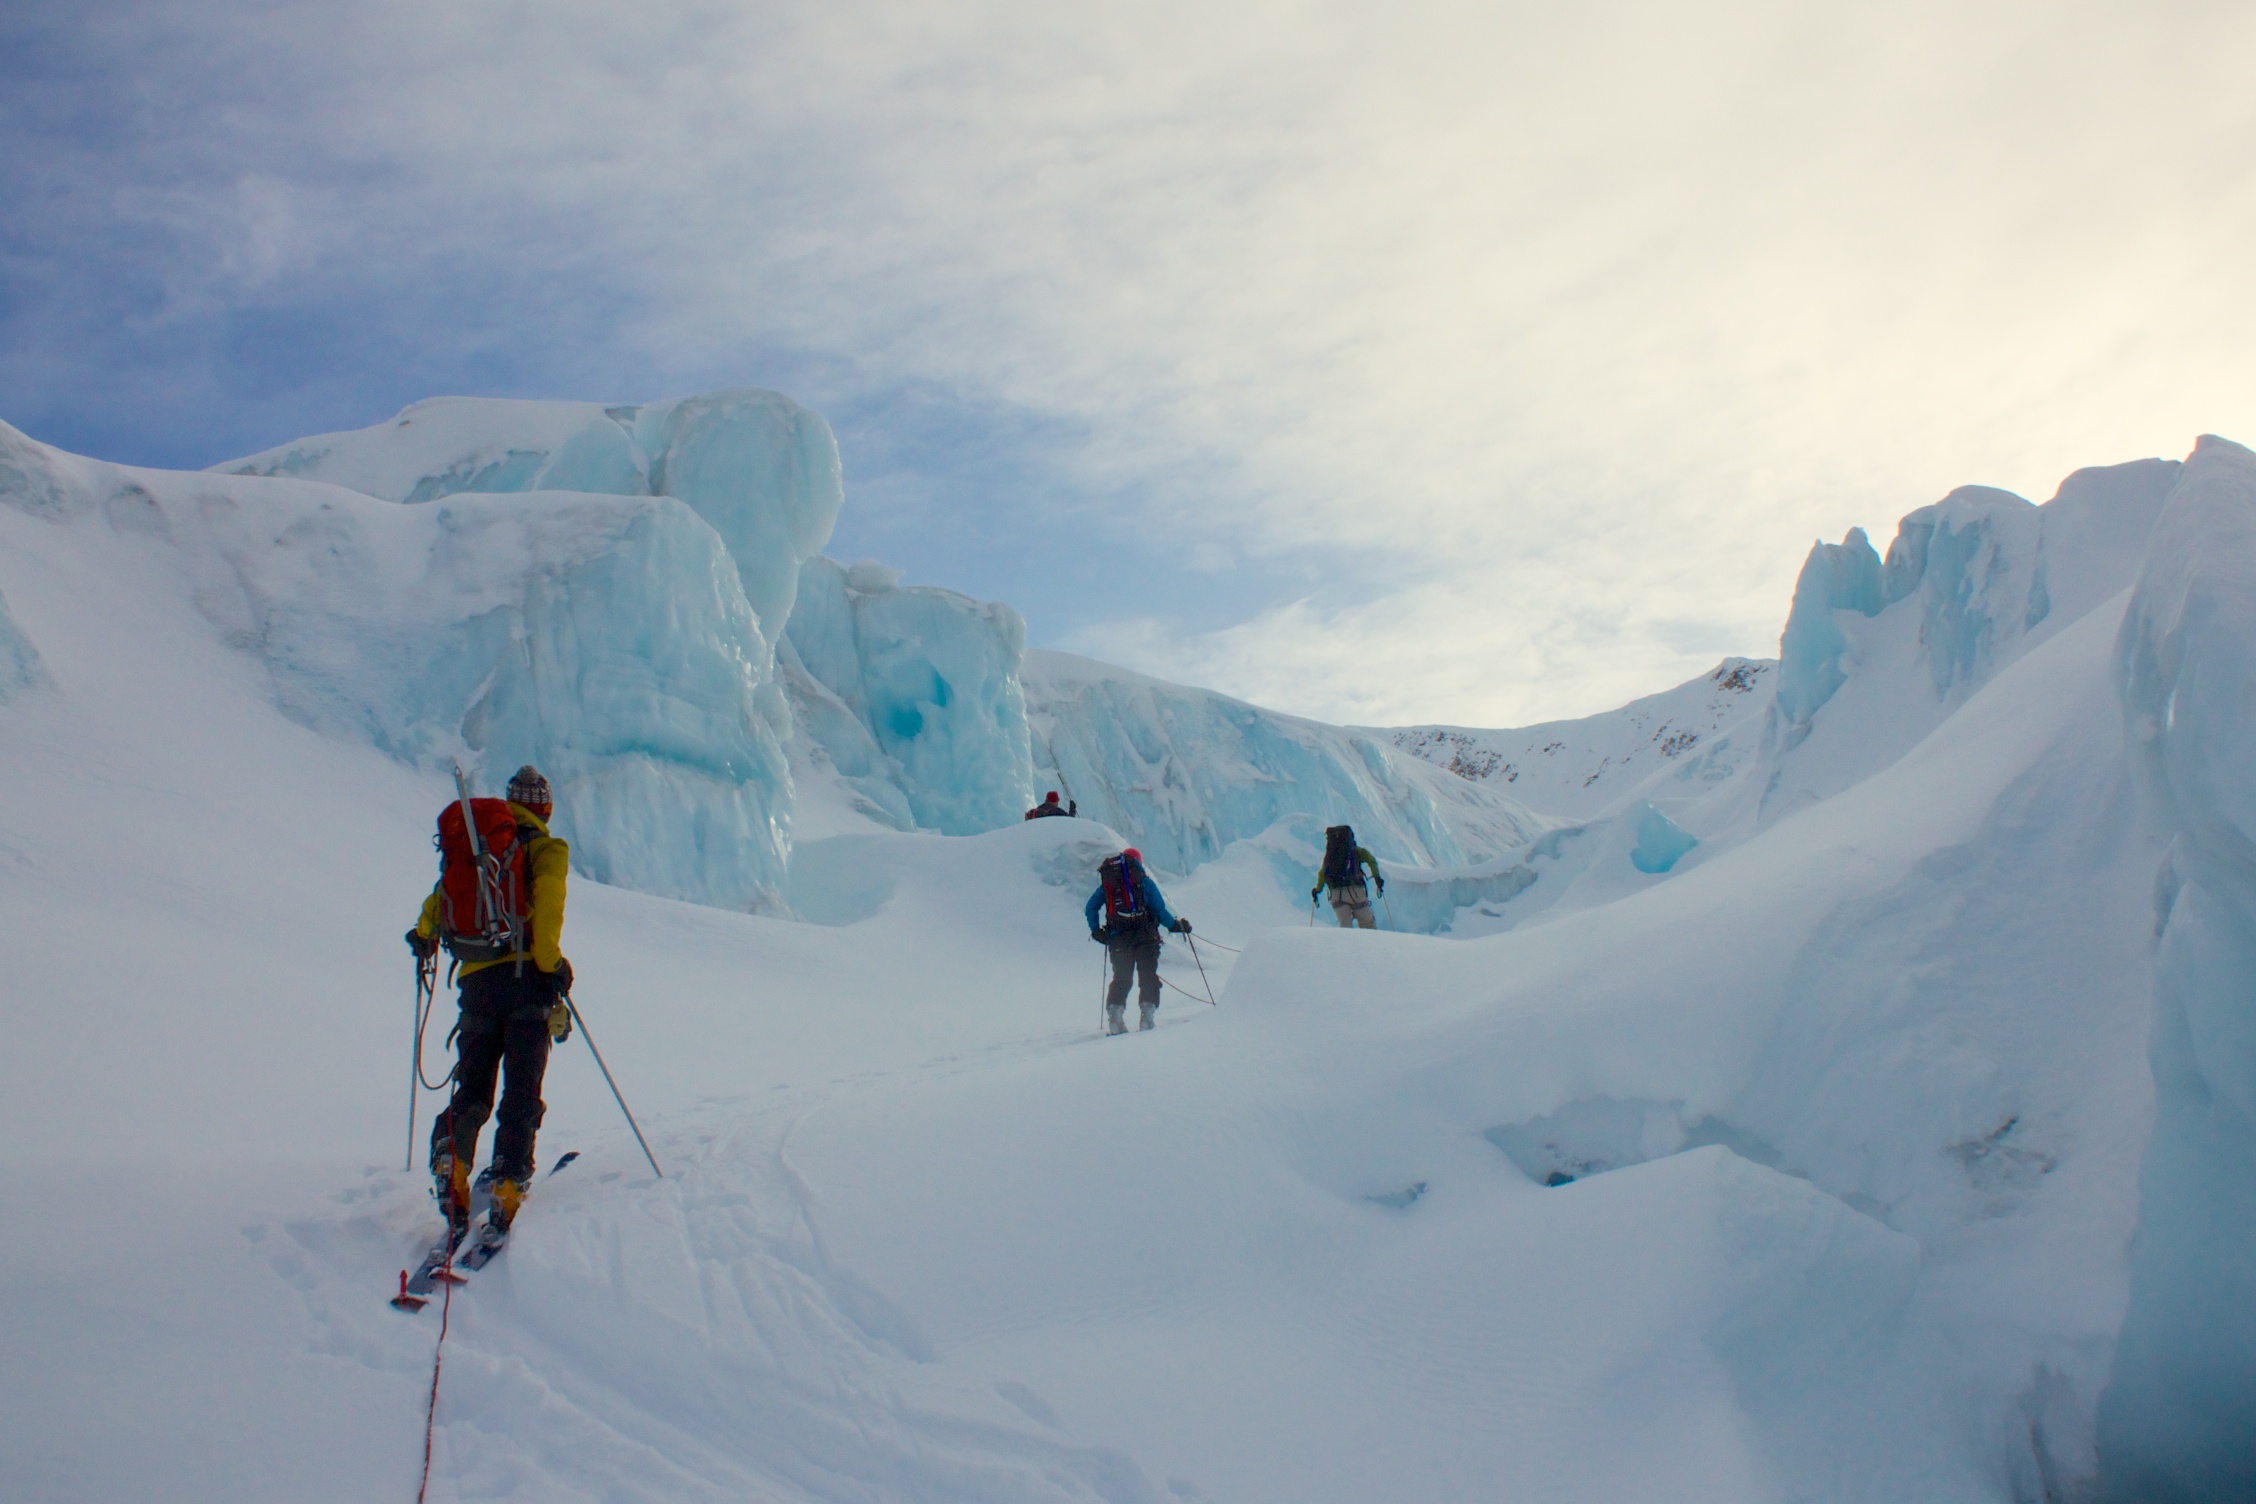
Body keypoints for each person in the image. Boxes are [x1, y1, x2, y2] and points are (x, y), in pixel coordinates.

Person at [405, 764, 573, 1246]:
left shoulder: (477, 850)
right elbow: (549, 905)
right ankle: (508, 1180)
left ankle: (452, 1155)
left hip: (476, 983)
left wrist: (423, 936)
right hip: (526, 983)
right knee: (521, 1090)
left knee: (474, 1088)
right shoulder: (545, 849)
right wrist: (553, 964)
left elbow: (439, 901)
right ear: (545, 809)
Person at [1085, 847, 1191, 1034]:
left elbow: (1090, 908)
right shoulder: (1144, 882)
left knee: (1122, 978)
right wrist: (1175, 926)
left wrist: (1096, 931)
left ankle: (1115, 1018)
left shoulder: (1109, 884)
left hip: (1118, 938)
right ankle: (1146, 1018)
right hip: (1146, 937)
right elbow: (1160, 910)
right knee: (1148, 975)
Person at [1312, 823, 1384, 929]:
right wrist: (1377, 877)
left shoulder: (1330, 856)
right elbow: (1371, 860)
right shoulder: (1356, 851)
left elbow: (1322, 873)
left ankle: (1347, 940)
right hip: (1355, 892)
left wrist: (1317, 890)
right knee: (1368, 925)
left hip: (1336, 894)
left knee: (1345, 926)